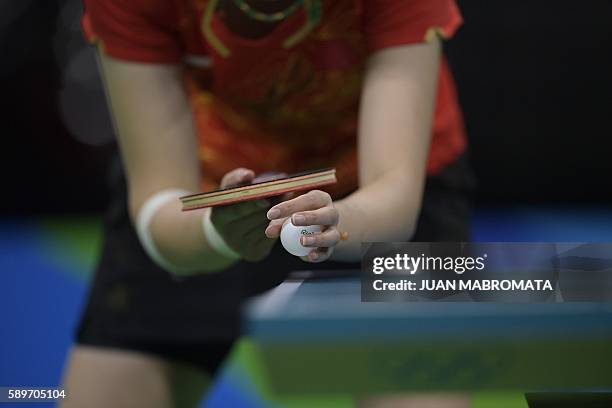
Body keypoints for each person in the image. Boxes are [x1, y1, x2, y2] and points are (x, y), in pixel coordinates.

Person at [61, 0, 474, 407]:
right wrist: (215, 231)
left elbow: (395, 196)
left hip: (383, 184)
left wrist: (338, 221)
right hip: (206, 191)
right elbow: (159, 209)